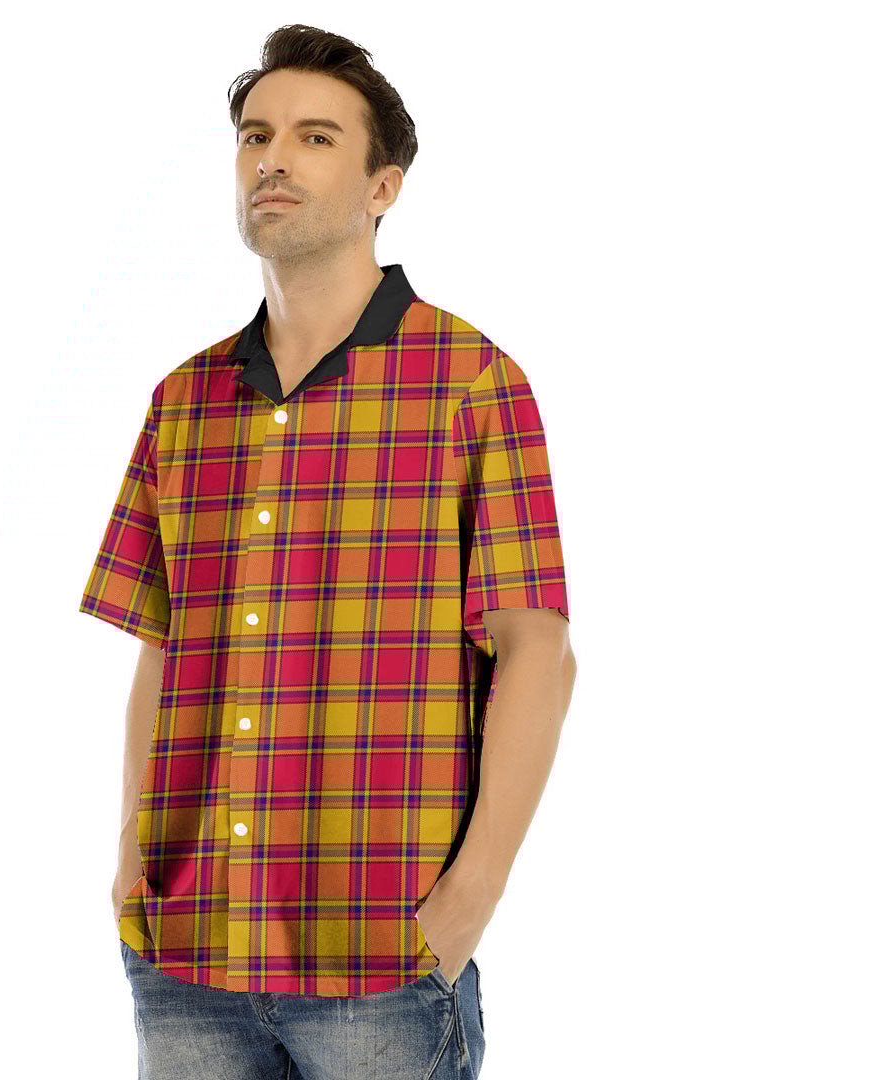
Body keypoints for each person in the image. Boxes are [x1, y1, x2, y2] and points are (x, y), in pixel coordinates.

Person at [79, 23, 577, 1080]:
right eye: (256, 135)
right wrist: (130, 858)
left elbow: (538, 651)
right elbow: (161, 647)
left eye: (315, 138)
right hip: (187, 953)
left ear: (381, 186)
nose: (273, 159)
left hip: (382, 965)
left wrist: (467, 900)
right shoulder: (184, 401)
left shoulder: (471, 384)